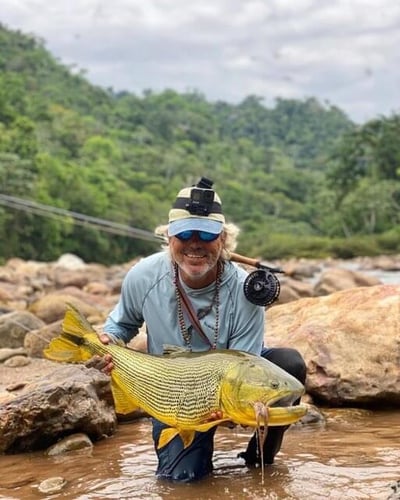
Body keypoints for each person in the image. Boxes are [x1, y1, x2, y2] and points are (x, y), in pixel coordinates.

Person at [95, 176, 306, 483]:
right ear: (169, 237)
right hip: (171, 390)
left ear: (223, 240)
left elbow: (242, 366)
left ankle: (260, 459)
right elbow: (122, 325)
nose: (195, 244)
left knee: (289, 365)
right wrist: (107, 342)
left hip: (225, 381)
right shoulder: (143, 276)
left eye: (206, 236)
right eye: (185, 234)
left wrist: (234, 410)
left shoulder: (245, 290)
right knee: (183, 481)